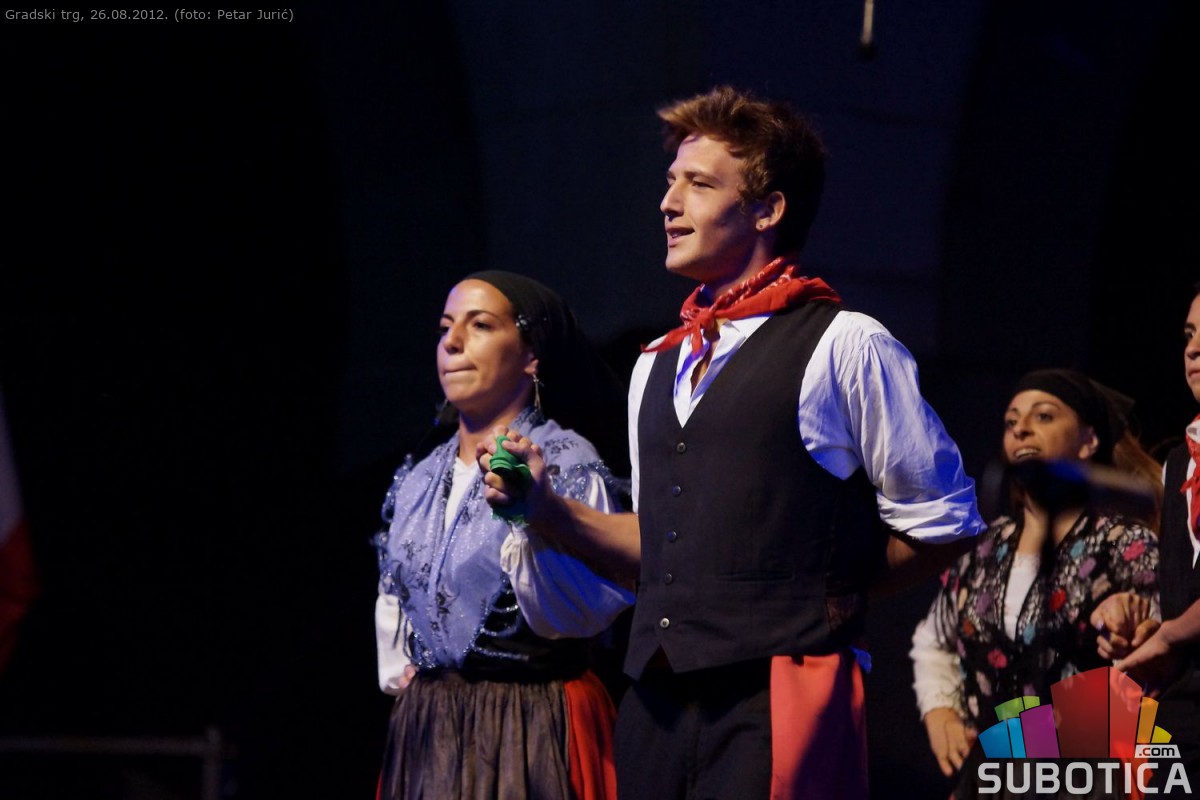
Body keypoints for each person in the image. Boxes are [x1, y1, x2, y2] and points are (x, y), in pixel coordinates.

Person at [478, 85, 986, 800]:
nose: (668, 202)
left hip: (777, 695)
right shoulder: (656, 364)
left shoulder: (845, 344)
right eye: (670, 182)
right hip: (657, 700)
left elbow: (946, 523)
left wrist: (818, 597)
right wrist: (547, 510)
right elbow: (663, 544)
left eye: (699, 183)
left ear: (766, 210)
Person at [371, 270, 635, 800]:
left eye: (480, 325)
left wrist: (537, 514)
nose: (452, 342)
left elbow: (582, 604)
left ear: (531, 355)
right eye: (445, 327)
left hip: (528, 726)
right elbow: (398, 601)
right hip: (430, 732)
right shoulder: (420, 478)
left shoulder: (563, 463)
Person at [910, 367, 1162, 798]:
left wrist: (1130, 624)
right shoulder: (983, 548)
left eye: (1043, 416)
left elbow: (1152, 640)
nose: (1021, 429)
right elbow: (933, 640)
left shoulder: (1124, 543)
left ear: (1089, 440)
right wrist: (940, 712)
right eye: (1011, 422)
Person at [1095, 281, 1200, 790]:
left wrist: (1170, 634)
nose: (1194, 349)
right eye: (1189, 335)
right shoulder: (1180, 462)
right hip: (1183, 706)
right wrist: (1143, 626)